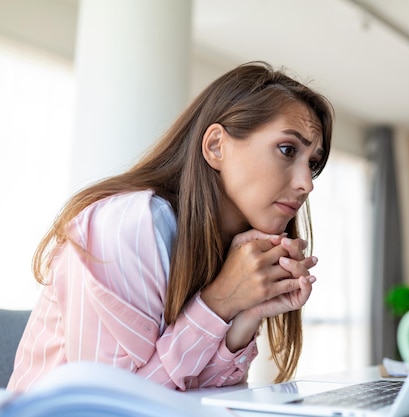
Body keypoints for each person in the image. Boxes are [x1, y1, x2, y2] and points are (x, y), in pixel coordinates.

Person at [8, 61, 334, 392]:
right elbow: (110, 405)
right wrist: (217, 303)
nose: (306, 183)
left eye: (313, 163)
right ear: (216, 146)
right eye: (287, 149)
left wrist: (245, 314)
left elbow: (193, 399)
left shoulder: (232, 253)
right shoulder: (127, 226)